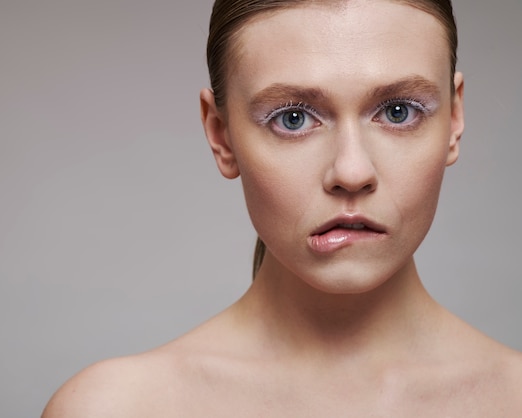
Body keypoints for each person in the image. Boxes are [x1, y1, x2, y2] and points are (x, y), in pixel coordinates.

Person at [42, 0, 522, 416]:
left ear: (454, 119)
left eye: (399, 111)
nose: (351, 171)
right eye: (292, 119)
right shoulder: (115, 410)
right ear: (220, 134)